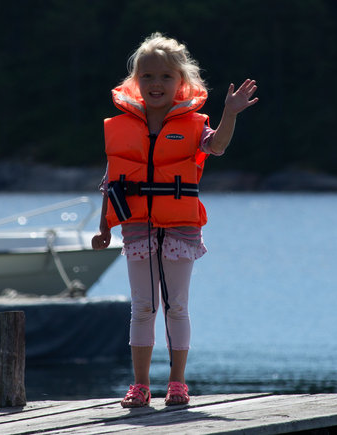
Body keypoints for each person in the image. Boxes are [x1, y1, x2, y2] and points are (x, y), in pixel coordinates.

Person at [92, 32, 258, 408]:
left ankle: (178, 383)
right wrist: (104, 229)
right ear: (136, 82)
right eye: (148, 76)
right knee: (143, 306)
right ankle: (139, 385)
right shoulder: (122, 127)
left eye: (166, 77)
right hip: (137, 226)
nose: (156, 84)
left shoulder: (195, 124)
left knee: (176, 306)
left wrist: (229, 113)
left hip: (180, 225)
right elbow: (111, 181)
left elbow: (217, 147)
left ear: (181, 82)